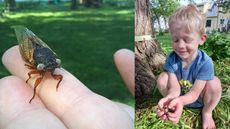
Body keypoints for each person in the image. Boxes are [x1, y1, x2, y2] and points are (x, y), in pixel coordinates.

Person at [0, 46, 134, 129]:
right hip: (35, 54)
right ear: (38, 67)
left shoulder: (53, 66)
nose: (52, 69)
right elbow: (30, 72)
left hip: (45, 56)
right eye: (42, 68)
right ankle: (34, 91)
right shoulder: (36, 66)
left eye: (56, 65)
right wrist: (31, 77)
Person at [156, 4, 222, 129]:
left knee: (214, 83)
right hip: (179, 98)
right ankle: (174, 106)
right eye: (175, 40)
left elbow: (195, 93)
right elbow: (174, 87)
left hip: (199, 99)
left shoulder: (205, 62)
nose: (180, 45)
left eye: (187, 40)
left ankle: (207, 112)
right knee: (162, 78)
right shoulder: (171, 59)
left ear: (201, 39)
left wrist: (181, 100)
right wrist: (171, 98)